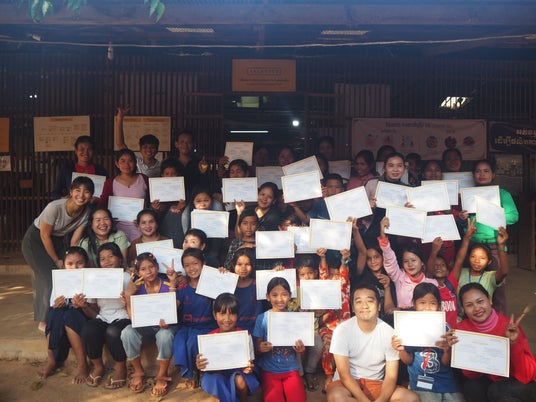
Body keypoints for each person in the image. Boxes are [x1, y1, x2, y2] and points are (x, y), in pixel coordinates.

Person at [22, 176, 95, 331]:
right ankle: (43, 321)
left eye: (86, 192)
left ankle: (65, 312)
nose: (81, 195)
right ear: (70, 192)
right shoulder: (54, 207)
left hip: (56, 241)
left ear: (91, 196)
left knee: (66, 274)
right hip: (35, 240)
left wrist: (73, 258)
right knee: (50, 278)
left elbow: (74, 241)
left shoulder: (86, 212)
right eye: (77, 190)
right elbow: (44, 235)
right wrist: (56, 260)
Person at [327, 283, 419, 401]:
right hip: (346, 384)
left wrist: (381, 399)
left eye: (370, 301)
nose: (364, 306)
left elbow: (391, 377)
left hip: (376, 383)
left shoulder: (390, 333)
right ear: (353, 308)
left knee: (411, 398)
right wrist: (363, 399)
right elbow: (344, 375)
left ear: (379, 306)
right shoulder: (342, 330)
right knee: (336, 397)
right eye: (359, 302)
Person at [457, 283, 536, 401]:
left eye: (480, 301)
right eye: (469, 305)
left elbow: (525, 375)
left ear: (489, 300)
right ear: (464, 308)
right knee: (472, 387)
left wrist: (513, 343)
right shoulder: (462, 329)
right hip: (491, 379)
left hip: (518, 381)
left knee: (497, 390)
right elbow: (471, 375)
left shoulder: (510, 327)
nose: (477, 308)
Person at [462, 158, 519, 315]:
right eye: (478, 171)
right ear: (473, 174)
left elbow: (513, 216)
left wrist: (490, 214)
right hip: (473, 245)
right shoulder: (469, 195)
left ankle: (499, 324)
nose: (482, 174)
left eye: (486, 171)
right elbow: (465, 224)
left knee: (497, 289)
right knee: (471, 286)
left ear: (493, 175)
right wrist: (462, 218)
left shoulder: (502, 194)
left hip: (494, 246)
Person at [392, 283, 464, 401]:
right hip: (421, 384)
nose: (427, 307)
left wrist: (447, 350)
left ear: (439, 305)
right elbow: (408, 360)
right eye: (422, 302)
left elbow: (446, 363)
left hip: (447, 383)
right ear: (414, 304)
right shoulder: (408, 327)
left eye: (432, 303)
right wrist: (402, 350)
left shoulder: (445, 328)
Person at [121, 252, 179, 396]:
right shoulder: (136, 288)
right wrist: (128, 296)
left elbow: (172, 313)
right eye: (143, 269)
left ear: (157, 267)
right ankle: (138, 371)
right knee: (127, 332)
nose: (148, 271)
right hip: (145, 327)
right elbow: (132, 318)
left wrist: (167, 323)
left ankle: (162, 374)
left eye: (151, 267)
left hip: (165, 327)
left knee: (165, 336)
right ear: (137, 272)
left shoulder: (167, 285)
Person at [38, 247, 97, 384]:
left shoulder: (91, 280)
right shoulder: (60, 280)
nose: (74, 267)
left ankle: (82, 364)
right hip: (62, 319)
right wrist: (57, 304)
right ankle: (52, 360)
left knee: (71, 315)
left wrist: (84, 306)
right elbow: (54, 304)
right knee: (53, 314)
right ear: (64, 266)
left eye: (79, 263)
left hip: (82, 318)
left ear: (86, 263)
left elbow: (95, 311)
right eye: (70, 264)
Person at [81, 243, 131, 389]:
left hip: (124, 316)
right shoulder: (95, 279)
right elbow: (93, 309)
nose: (107, 261)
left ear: (119, 259)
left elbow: (136, 307)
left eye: (110, 256)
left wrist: (127, 300)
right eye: (102, 259)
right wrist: (84, 306)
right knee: (88, 329)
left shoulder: (128, 277)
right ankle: (98, 366)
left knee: (113, 332)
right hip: (103, 316)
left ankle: (121, 368)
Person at [196, 293, 259, 402]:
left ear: (237, 315)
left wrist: (248, 368)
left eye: (232, 314)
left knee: (240, 380)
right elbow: (205, 367)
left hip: (238, 372)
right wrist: (200, 364)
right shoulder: (209, 338)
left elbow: (249, 362)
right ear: (215, 315)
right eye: (222, 314)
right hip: (217, 374)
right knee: (214, 380)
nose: (227, 319)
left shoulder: (245, 336)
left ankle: (242, 400)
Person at [253, 277, 307, 402]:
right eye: (274, 295)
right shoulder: (262, 318)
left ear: (290, 296)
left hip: (291, 370)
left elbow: (303, 348)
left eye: (284, 294)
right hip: (269, 371)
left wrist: (301, 349)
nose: (280, 299)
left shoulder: (295, 318)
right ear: (267, 297)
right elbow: (257, 348)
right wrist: (260, 348)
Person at [173, 248, 217, 388]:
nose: (191, 268)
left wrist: (222, 274)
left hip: (208, 326)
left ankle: (201, 370)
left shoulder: (212, 285)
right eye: (187, 265)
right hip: (187, 327)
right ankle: (189, 372)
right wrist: (172, 284)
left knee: (193, 342)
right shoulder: (182, 288)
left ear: (204, 263)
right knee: (180, 341)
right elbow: (173, 306)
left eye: (195, 263)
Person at [379, 216, 438, 309]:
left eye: (413, 260)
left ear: (422, 262)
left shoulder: (432, 283)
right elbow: (390, 259)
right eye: (406, 261)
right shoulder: (399, 277)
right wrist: (383, 235)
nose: (410, 264)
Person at [98, 149, 150, 242]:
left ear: (135, 163)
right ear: (117, 163)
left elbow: (150, 203)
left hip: (142, 228)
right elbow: (102, 205)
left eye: (130, 161)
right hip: (117, 229)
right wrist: (109, 219)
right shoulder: (110, 182)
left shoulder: (144, 179)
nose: (126, 164)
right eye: (122, 161)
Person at [456, 226, 510, 315]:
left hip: (482, 316)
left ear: (489, 262)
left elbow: (504, 271)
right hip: (462, 318)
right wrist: (466, 238)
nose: (477, 261)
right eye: (473, 256)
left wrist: (501, 245)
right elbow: (459, 261)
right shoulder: (461, 272)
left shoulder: (490, 277)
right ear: (468, 258)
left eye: (482, 258)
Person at [362, 152, 409, 249]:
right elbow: (359, 212)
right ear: (384, 167)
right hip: (372, 232)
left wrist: (409, 211)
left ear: (404, 168)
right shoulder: (372, 183)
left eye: (399, 166)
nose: (395, 169)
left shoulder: (407, 190)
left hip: (396, 235)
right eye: (391, 166)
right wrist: (367, 206)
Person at [51, 135, 108, 200]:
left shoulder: (101, 170)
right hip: (73, 205)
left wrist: (101, 198)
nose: (85, 152)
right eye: (82, 149)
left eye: (89, 149)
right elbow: (55, 194)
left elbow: (108, 192)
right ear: (76, 151)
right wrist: (63, 198)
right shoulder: (67, 170)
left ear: (93, 151)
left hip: (96, 206)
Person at [115, 106, 161, 178]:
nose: (148, 150)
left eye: (152, 147)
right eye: (145, 147)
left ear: (157, 150)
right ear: (140, 149)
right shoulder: (135, 162)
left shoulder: (161, 166)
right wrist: (119, 119)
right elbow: (120, 144)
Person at [152, 158, 187, 248]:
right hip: (161, 233)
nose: (170, 176)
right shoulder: (156, 192)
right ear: (162, 175)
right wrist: (155, 210)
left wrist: (183, 207)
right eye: (167, 174)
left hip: (178, 234)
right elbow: (153, 218)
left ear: (178, 175)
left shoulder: (184, 194)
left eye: (173, 174)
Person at [230, 248, 263, 334]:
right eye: (239, 264)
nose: (243, 268)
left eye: (247, 264)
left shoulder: (259, 284)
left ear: (252, 266)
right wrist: (221, 274)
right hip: (233, 331)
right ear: (233, 266)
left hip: (256, 330)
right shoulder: (227, 284)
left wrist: (278, 272)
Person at [173, 129, 209, 197]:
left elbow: (205, 186)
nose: (185, 144)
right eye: (182, 142)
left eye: (188, 142)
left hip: (196, 198)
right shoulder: (171, 163)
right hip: (176, 197)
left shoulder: (200, 163)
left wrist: (203, 173)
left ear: (194, 144)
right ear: (176, 144)